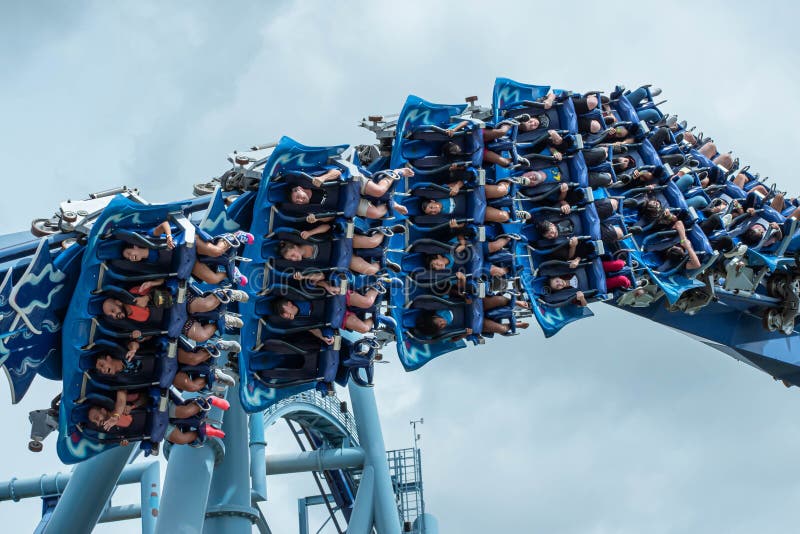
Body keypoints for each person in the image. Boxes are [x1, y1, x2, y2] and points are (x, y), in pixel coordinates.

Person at [101, 282, 247, 342]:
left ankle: (226, 293)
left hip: (179, 301)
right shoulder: (130, 324)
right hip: (175, 321)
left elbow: (160, 283)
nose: (114, 315)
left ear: (118, 302)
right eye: (111, 316)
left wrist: (147, 296)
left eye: (113, 310)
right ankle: (221, 321)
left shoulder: (134, 293)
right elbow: (151, 334)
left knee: (205, 305)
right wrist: (140, 337)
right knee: (201, 336)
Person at [120, 223, 253, 286]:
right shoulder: (150, 264)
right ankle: (232, 272)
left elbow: (164, 224)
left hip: (188, 242)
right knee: (212, 279)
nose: (131, 257)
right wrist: (151, 284)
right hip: (186, 261)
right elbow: (162, 277)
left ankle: (235, 236)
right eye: (129, 259)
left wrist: (168, 237)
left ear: (135, 246)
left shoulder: (149, 237)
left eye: (129, 253)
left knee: (215, 251)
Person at [291, 167, 412, 219]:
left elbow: (336, 172)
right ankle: (392, 204)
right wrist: (317, 219)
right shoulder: (310, 209)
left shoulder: (311, 180)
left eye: (298, 197)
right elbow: (329, 217)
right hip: (347, 202)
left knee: (378, 191)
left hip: (350, 183)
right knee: (375, 213)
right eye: (297, 202)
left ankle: (396, 173)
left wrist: (323, 178)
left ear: (299, 189)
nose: (300, 201)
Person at [278, 237, 392, 276]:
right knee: (370, 270)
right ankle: (384, 261)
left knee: (372, 242)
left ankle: (384, 231)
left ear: (295, 246)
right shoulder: (305, 265)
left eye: (292, 255)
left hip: (342, 243)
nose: (294, 259)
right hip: (343, 259)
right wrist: (304, 277)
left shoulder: (305, 237)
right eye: (290, 259)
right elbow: (320, 276)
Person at [640, 199, 702, 269]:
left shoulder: (678, 259)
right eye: (678, 248)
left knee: (698, 201)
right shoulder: (681, 240)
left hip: (666, 243)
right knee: (688, 210)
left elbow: (697, 265)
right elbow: (679, 223)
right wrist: (684, 241)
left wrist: (687, 246)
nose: (677, 247)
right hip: (681, 234)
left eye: (675, 247)